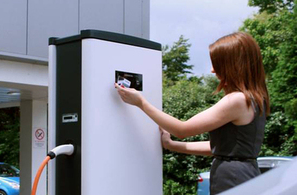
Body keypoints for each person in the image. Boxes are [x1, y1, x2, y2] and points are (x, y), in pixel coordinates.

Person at [114, 32, 270, 195]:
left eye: (217, 63)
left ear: (234, 64)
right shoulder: (256, 99)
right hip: (245, 176)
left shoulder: (237, 100)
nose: (211, 70)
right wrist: (171, 145)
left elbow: (183, 130)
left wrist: (141, 103)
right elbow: (217, 148)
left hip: (233, 179)